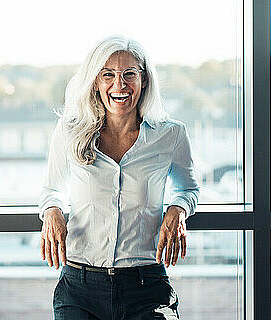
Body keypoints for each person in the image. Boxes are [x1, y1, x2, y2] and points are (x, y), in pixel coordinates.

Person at [39, 35, 200, 319]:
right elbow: (52, 189)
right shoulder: (68, 131)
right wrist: (51, 210)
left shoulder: (171, 135)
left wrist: (178, 208)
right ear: (95, 82)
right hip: (80, 286)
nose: (119, 85)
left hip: (146, 285)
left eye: (129, 75)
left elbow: (188, 188)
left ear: (144, 80)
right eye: (108, 75)